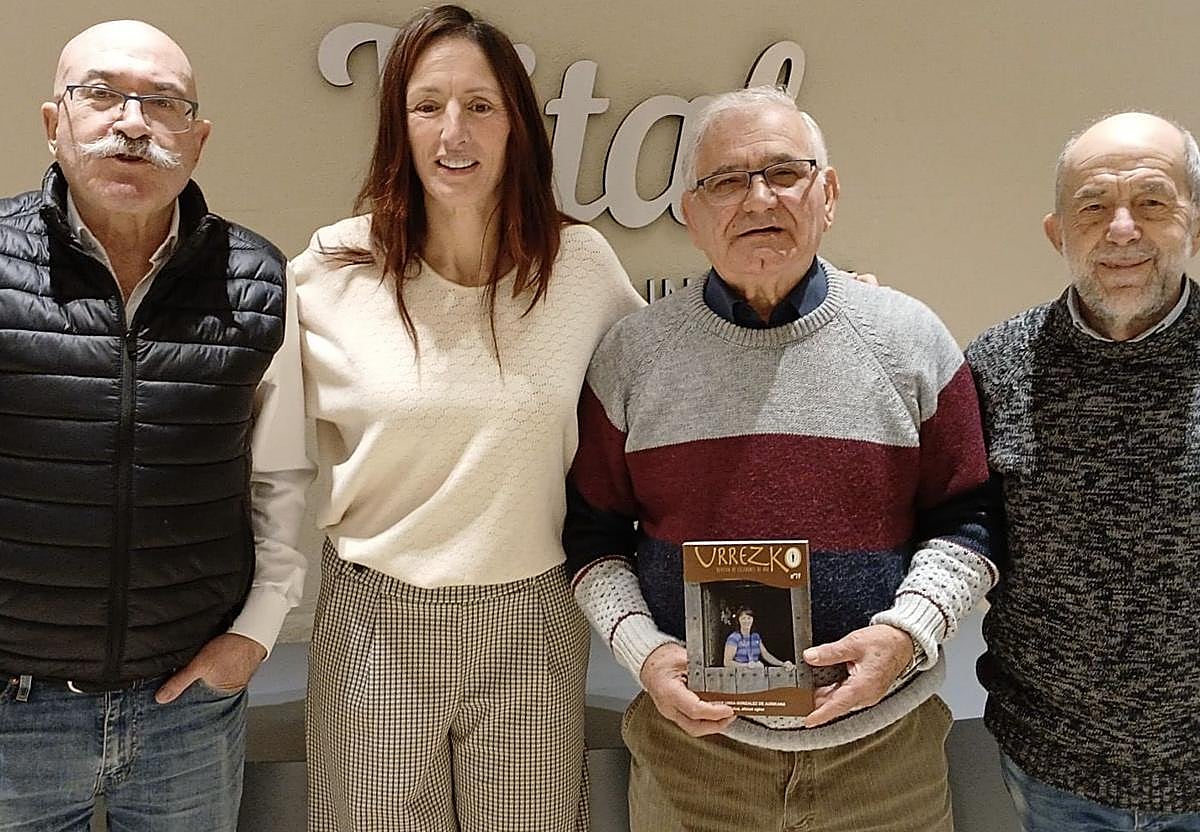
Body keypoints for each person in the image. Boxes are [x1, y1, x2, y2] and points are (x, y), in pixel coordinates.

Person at [563, 86, 995, 832]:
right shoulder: (632, 357)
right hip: (693, 766)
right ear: (691, 214)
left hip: (885, 762)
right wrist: (645, 653)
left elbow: (971, 520)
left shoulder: (911, 341)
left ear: (829, 195)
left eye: (785, 173)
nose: (759, 198)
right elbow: (592, 537)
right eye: (726, 181)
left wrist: (907, 634)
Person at [290, 5, 643, 830]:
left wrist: (830, 303)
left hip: (533, 616)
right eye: (428, 105)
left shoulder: (580, 266)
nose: (455, 130)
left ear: (516, 124)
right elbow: (239, 413)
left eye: (481, 105)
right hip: (375, 620)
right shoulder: (332, 270)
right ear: (399, 125)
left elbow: (672, 372)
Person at [0, 20, 310, 832]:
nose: (133, 123)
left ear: (197, 140)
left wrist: (255, 634)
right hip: (12, 714)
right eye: (102, 94)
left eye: (164, 103)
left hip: (187, 711)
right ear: (54, 122)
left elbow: (279, 480)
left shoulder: (257, 281)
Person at [967, 111, 1200, 831]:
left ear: (1194, 223)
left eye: (1152, 202)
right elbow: (963, 530)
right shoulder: (995, 365)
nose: (1122, 230)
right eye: (1093, 207)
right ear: (1057, 233)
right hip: (1054, 772)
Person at [723, 607, 793, 668]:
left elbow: (766, 655)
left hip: (756, 675)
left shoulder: (755, 637)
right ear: (738, 620)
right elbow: (727, 662)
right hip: (739, 675)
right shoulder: (733, 638)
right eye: (743, 618)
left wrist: (782, 664)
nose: (746, 621)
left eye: (749, 618)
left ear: (752, 620)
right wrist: (747, 665)